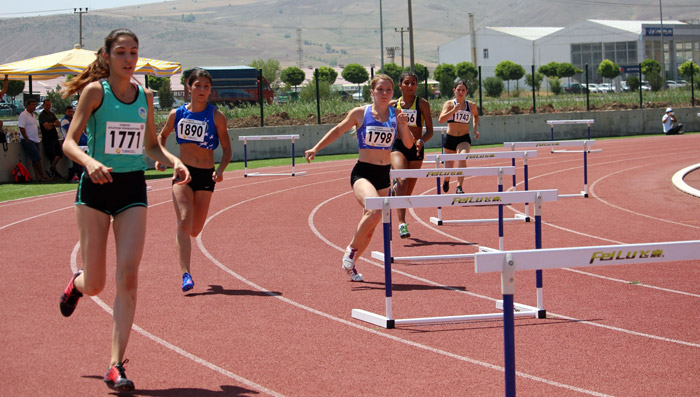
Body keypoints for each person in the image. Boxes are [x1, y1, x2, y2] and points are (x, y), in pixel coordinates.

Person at [59, 28, 190, 392]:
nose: (129, 59)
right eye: (121, 52)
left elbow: (150, 145)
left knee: (128, 277)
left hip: (133, 187)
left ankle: (115, 364)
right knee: (97, 283)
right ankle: (77, 284)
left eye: (134, 52)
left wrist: (172, 158)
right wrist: (88, 162)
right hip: (97, 188)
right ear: (107, 56)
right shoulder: (95, 93)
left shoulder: (145, 96)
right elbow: (70, 142)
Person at [305, 74, 412, 281]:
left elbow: (407, 144)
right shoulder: (360, 113)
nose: (384, 93)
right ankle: (351, 251)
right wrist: (316, 148)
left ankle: (351, 264)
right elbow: (337, 130)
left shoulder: (396, 114)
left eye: (388, 90)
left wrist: (404, 125)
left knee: (370, 229)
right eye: (380, 89)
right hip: (363, 172)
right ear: (372, 92)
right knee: (374, 209)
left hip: (384, 175)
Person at [156, 67, 232, 292]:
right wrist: (163, 157)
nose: (201, 90)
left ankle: (186, 249)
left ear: (210, 91)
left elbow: (227, 149)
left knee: (195, 229)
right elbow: (161, 136)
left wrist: (221, 169)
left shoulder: (217, 116)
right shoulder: (176, 114)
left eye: (206, 86)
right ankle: (185, 274)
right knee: (184, 221)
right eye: (197, 85)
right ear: (188, 87)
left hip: (205, 175)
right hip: (183, 172)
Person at [389, 71, 433, 239]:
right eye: (406, 83)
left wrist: (422, 140)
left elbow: (429, 130)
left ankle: (396, 189)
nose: (410, 86)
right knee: (403, 179)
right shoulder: (393, 105)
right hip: (398, 146)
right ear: (399, 85)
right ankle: (402, 223)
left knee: (407, 190)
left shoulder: (422, 104)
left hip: (416, 147)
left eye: (413, 83)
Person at [438, 80, 480, 194]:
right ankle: (447, 180)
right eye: (458, 90)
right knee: (449, 166)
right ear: (454, 91)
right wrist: (453, 110)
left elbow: (476, 115)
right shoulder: (449, 104)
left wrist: (475, 128)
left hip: (463, 138)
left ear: (466, 91)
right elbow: (441, 120)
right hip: (450, 138)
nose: (460, 92)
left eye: (463, 90)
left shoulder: (471, 105)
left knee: (463, 157)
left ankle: (459, 187)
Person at [17, 98, 51, 181]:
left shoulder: (33, 115)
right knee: (37, 158)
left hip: (35, 139)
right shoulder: (24, 115)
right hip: (28, 140)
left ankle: (38, 176)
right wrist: (26, 138)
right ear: (27, 105)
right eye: (32, 105)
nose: (34, 107)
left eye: (35, 105)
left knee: (34, 159)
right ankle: (43, 175)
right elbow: (21, 127)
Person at [39, 98, 64, 179]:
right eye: (47, 105)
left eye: (49, 105)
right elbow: (46, 127)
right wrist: (53, 124)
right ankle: (54, 172)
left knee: (59, 154)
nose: (48, 106)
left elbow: (59, 123)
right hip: (47, 138)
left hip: (54, 137)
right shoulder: (42, 115)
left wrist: (52, 124)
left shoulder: (52, 114)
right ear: (43, 105)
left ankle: (51, 169)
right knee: (51, 156)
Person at [61, 105, 84, 181]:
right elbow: (72, 129)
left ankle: (79, 174)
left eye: (72, 112)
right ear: (65, 112)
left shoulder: (72, 119)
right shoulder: (64, 120)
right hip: (70, 143)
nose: (71, 113)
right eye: (69, 112)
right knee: (75, 160)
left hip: (79, 143)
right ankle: (75, 175)